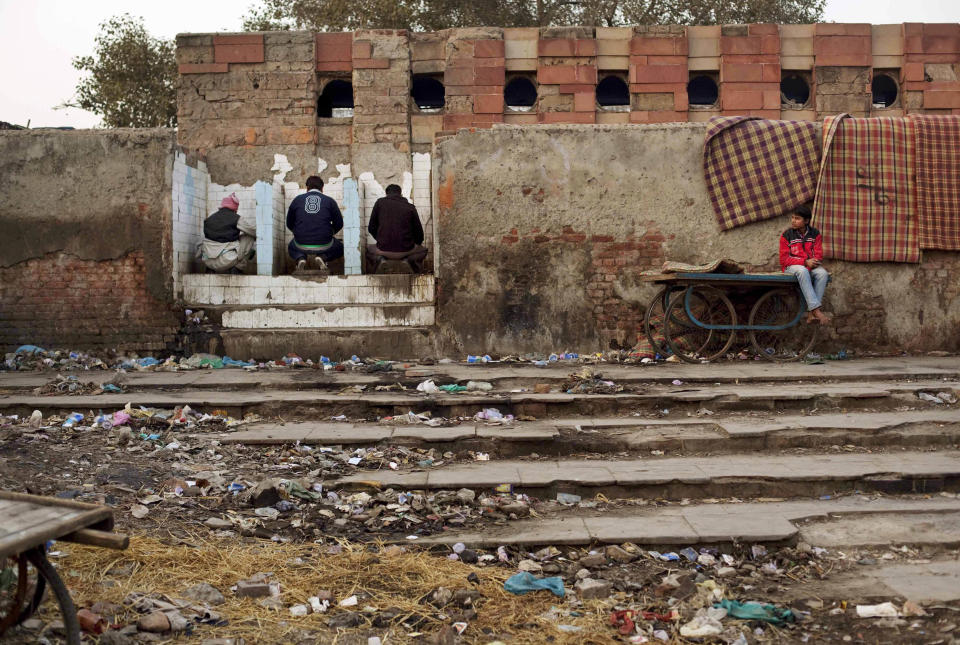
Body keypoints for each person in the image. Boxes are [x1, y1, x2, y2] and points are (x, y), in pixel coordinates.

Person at [780, 203, 831, 324]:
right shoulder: (786, 235)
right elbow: (784, 259)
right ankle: (816, 309)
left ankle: (810, 313)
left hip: (809, 266)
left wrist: (814, 262)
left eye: (797, 218)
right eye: (792, 218)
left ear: (806, 221)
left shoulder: (815, 234)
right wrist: (805, 262)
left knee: (823, 274)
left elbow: (818, 254)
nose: (793, 221)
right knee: (802, 270)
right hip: (791, 267)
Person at [366, 184, 428, 273]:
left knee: (369, 250)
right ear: (401, 194)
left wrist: (381, 239)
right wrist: (410, 243)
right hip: (406, 251)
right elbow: (419, 235)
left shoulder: (379, 203)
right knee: (423, 250)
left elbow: (371, 227)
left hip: (382, 250)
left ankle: (380, 260)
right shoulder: (410, 207)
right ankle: (408, 261)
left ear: (386, 194)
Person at [286, 175, 343, 272]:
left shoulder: (297, 200)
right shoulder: (330, 201)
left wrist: (298, 232)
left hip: (301, 243)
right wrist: (330, 232)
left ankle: (300, 258)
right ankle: (323, 257)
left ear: (307, 188)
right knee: (340, 247)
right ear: (322, 188)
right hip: (324, 243)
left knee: (292, 246)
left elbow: (289, 223)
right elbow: (339, 223)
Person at [197, 192, 256, 274]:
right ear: (235, 208)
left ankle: (209, 269)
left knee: (207, 241)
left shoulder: (209, 219)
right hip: (226, 260)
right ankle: (237, 268)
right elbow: (254, 231)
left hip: (207, 260)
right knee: (249, 237)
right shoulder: (236, 218)